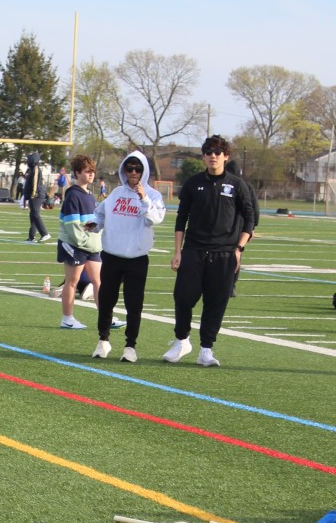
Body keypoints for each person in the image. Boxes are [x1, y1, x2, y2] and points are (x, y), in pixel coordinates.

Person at [163, 136, 256, 368]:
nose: (212, 156)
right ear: (203, 156)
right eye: (208, 152)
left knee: (216, 302)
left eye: (217, 152)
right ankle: (182, 340)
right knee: (183, 296)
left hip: (225, 253)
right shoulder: (193, 183)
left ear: (226, 156)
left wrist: (239, 248)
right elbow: (181, 218)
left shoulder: (237, 185)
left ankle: (206, 349)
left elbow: (250, 219)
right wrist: (177, 251)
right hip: (194, 250)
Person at [92, 151, 165, 362]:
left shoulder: (153, 195)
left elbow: (155, 219)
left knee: (134, 304)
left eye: (138, 169)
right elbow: (100, 215)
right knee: (106, 300)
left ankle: (130, 346)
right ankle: (103, 340)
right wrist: (93, 225)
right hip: (111, 256)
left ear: (144, 171)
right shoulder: (116, 193)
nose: (133, 172)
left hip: (137, 258)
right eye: (129, 168)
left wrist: (143, 199)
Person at [57, 154, 101, 330]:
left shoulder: (90, 195)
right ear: (77, 173)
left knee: (98, 281)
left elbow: (91, 223)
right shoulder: (73, 195)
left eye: (93, 171)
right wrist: (85, 241)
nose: (91, 174)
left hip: (91, 247)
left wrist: (96, 236)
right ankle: (67, 318)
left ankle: (106, 316)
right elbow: (72, 226)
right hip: (74, 245)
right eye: (87, 171)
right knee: (72, 281)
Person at [23, 152, 50, 243]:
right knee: (33, 215)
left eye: (29, 159)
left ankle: (44, 233)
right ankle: (31, 237)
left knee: (35, 214)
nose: (27, 161)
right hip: (34, 194)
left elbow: (35, 184)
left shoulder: (35, 169)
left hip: (36, 194)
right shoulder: (31, 169)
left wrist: (33, 195)